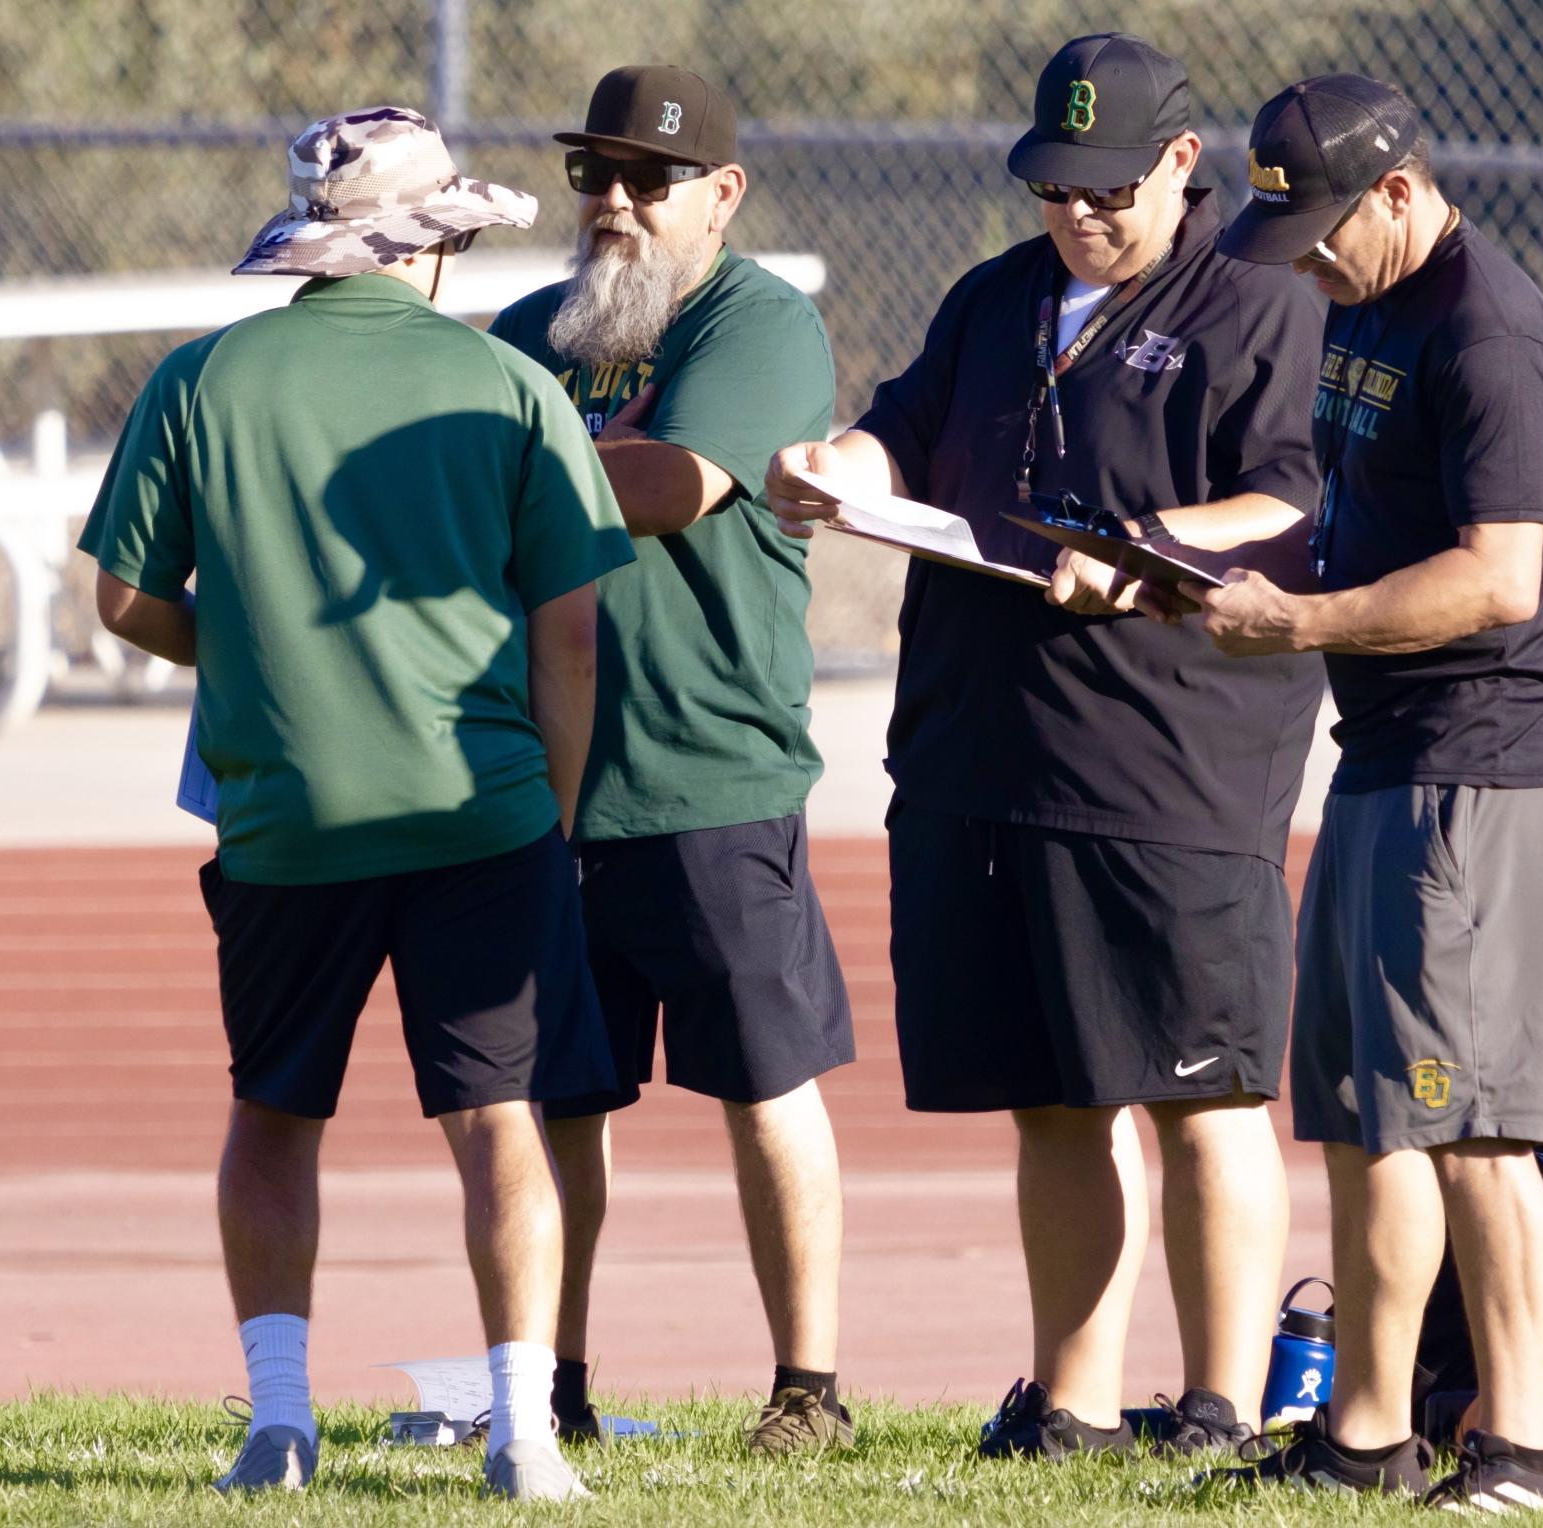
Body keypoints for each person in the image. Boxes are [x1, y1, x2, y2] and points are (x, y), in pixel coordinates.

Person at [767, 33, 1326, 1460]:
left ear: (1179, 165)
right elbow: (901, 428)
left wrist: (1145, 548)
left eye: (1108, 188)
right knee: (1053, 1099)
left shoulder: (1256, 303)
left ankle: (1222, 1405)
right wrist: (840, 471)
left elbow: (1282, 497)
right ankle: (1069, 1402)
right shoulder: (995, 297)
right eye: (1055, 187)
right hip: (978, 755)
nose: (1079, 213)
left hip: (1168, 767)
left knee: (1206, 1099)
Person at [78, 107, 635, 1503]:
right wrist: (555, 814)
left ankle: (278, 1420)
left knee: (273, 1115)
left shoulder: (202, 378)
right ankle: (521, 1430)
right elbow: (570, 637)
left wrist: (261, 652)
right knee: (497, 1120)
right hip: (480, 812)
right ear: (434, 242)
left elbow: (124, 597)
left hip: (285, 819)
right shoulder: (504, 389)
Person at [1170, 75, 1543, 1511]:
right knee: (1361, 1117)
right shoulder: (1365, 307)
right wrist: (1190, 567)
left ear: (1401, 191)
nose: (1312, 265)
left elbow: (1496, 575)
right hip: (1386, 754)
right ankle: (1363, 1434)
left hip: (1481, 766)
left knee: (1471, 1123)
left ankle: (1527, 1438)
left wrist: (1295, 626)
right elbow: (1340, 516)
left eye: (1327, 232)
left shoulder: (1487, 331)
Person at [489, 66, 853, 1454]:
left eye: (651, 179)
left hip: (707, 776)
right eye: (596, 176)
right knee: (554, 1101)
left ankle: (806, 1389)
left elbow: (671, 485)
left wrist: (523, 471)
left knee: (764, 1087)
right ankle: (554, 1384)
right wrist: (576, 453)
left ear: (722, 194)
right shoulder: (531, 328)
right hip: (541, 785)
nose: (619, 204)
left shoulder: (753, 320)